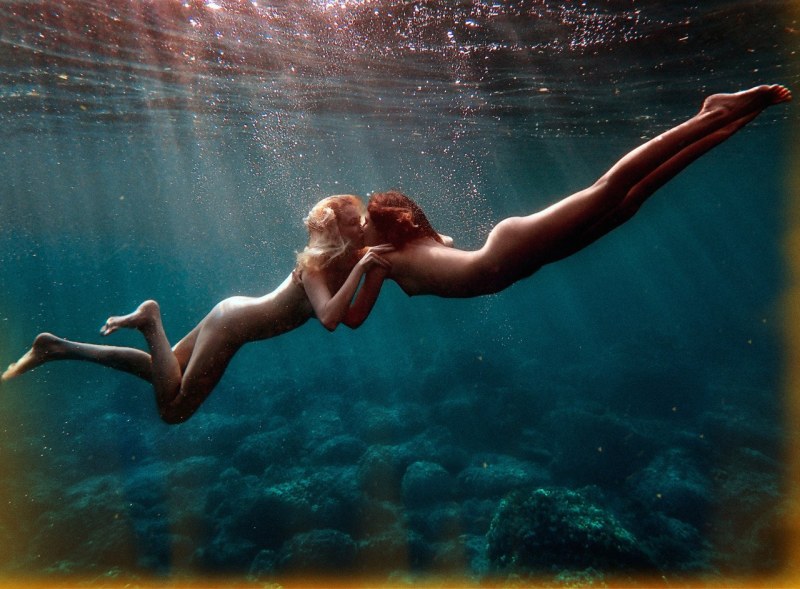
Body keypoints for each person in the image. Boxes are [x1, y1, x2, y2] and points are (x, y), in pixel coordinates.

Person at [364, 85, 792, 297]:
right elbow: (441, 248)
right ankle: (720, 128)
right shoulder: (404, 250)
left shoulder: (385, 259)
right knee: (629, 203)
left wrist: (358, 260)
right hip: (522, 260)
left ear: (386, 227)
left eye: (365, 223)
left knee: (611, 188)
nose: (360, 231)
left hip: (506, 253)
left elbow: (345, 318)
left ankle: (712, 115)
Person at [2, 195, 393, 424]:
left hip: (233, 313)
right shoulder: (313, 266)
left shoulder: (350, 255)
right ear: (336, 230)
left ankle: (56, 347)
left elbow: (354, 316)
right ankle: (151, 320)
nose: (363, 225)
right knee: (173, 410)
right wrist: (364, 268)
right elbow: (329, 319)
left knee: (164, 368)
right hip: (233, 327)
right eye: (354, 221)